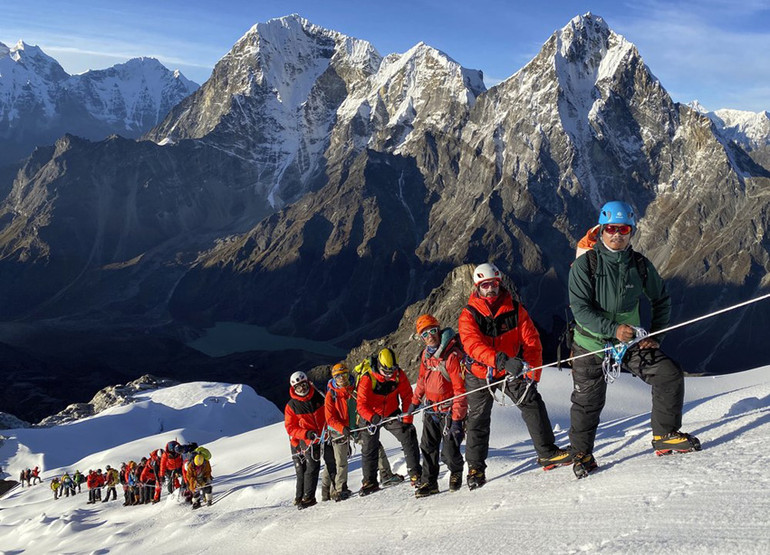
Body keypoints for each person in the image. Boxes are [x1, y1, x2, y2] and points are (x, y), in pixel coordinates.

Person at [567, 201, 701, 478]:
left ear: (631, 232)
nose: (617, 235)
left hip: (629, 342)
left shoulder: (639, 265)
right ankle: (582, 453)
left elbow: (661, 299)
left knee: (668, 373)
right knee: (587, 402)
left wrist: (656, 336)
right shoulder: (584, 266)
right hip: (590, 343)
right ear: (601, 230)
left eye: (624, 229)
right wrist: (614, 329)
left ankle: (664, 435)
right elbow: (580, 310)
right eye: (612, 229)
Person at [459, 263, 570, 490]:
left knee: (532, 402)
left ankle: (547, 453)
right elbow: (472, 345)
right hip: (482, 371)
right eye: (485, 285)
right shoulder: (468, 315)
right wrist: (500, 360)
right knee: (478, 419)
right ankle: (475, 468)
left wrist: (533, 374)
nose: (490, 289)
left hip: (510, 368)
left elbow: (532, 341)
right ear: (477, 287)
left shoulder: (516, 309)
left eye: (494, 285)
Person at [409, 314, 467, 497]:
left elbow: (461, 390)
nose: (429, 336)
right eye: (424, 334)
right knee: (427, 447)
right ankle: (429, 482)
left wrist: (458, 419)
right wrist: (414, 402)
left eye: (432, 331)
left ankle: (456, 471)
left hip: (449, 410)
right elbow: (422, 381)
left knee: (450, 450)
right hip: (432, 409)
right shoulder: (426, 356)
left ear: (438, 328)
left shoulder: (451, 356)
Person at [356, 348, 422, 496]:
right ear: (379, 366)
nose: (388, 375)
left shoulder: (398, 375)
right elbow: (361, 404)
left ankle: (415, 473)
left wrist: (406, 420)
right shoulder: (368, 378)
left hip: (391, 412)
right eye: (385, 371)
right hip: (371, 416)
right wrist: (372, 417)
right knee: (369, 447)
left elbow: (406, 396)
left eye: (391, 370)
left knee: (408, 433)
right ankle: (369, 481)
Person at [284, 371, 327, 510]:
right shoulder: (292, 405)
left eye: (303, 385)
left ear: (307, 382)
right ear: (293, 388)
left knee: (329, 462)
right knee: (305, 469)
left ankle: (329, 492)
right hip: (303, 441)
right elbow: (290, 428)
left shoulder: (318, 395)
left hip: (322, 436)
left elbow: (328, 411)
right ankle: (304, 497)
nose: (302, 389)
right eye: (298, 387)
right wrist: (305, 434)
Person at [321, 362, 356, 502]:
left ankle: (327, 493)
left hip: (351, 428)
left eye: (344, 375)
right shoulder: (331, 395)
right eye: (338, 377)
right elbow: (330, 419)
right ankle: (339, 489)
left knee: (334, 462)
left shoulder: (353, 389)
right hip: (337, 432)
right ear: (334, 378)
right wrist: (342, 428)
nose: (342, 379)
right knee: (340, 462)